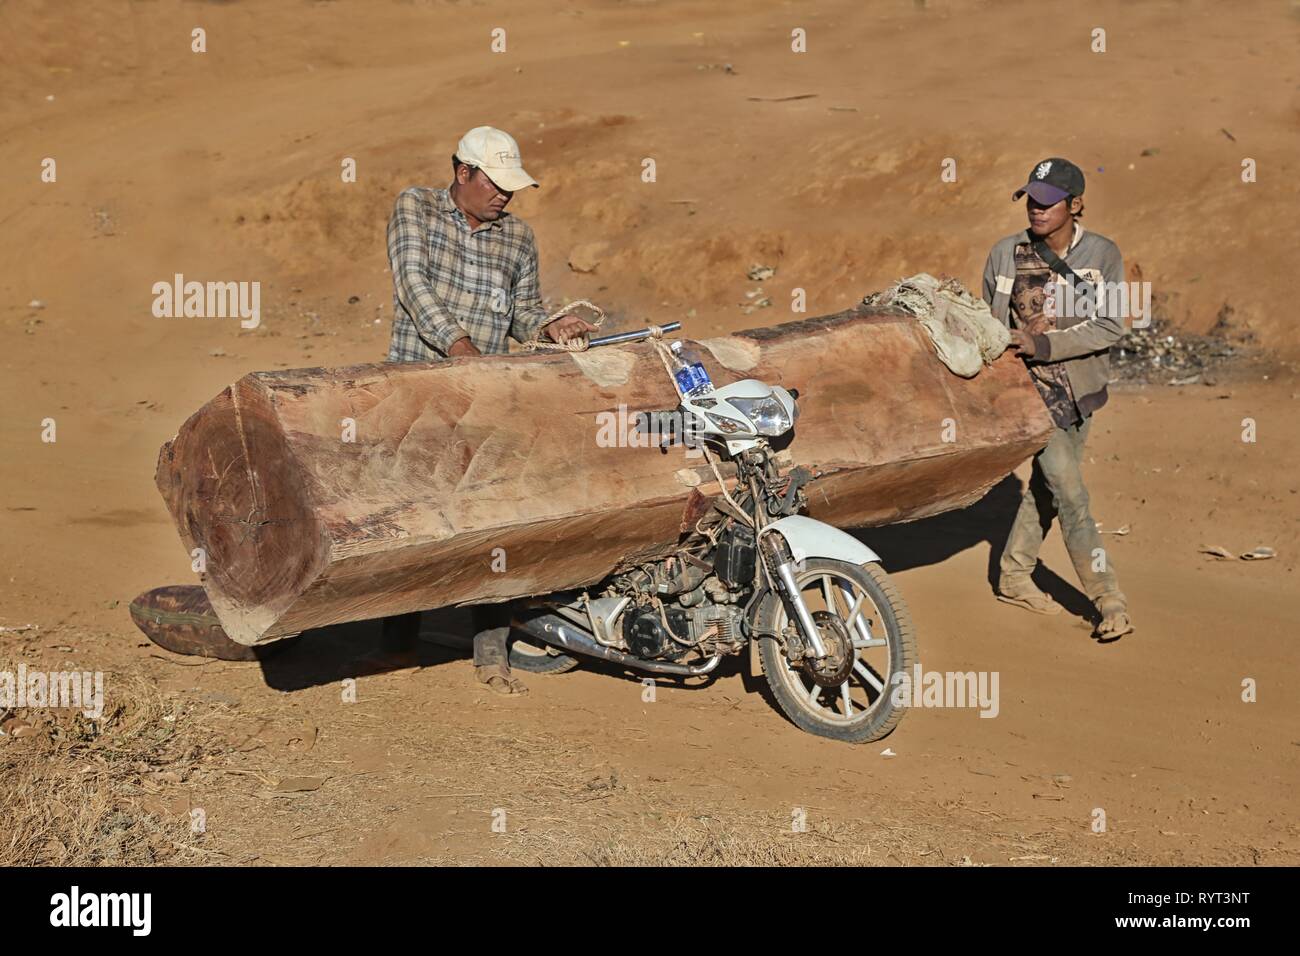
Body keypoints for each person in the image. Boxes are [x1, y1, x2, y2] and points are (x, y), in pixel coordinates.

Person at [382, 125, 597, 692]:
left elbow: (524, 313)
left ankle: (491, 652)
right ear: (462, 173)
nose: (505, 195)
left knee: (490, 517)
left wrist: (551, 326)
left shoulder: (517, 238)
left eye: (511, 187)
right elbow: (413, 286)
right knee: (412, 510)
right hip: (418, 384)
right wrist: (460, 350)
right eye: (495, 183)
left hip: (488, 396)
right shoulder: (416, 208)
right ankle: (394, 636)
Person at [981, 157, 1134, 640]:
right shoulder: (1005, 253)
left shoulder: (1102, 255)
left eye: (1048, 202)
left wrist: (1046, 341)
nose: (1036, 209)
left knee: (1048, 489)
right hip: (1029, 396)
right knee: (1071, 494)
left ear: (1076, 205)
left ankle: (1013, 574)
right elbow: (987, 324)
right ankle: (1107, 598)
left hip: (1082, 391)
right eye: (1031, 199)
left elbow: (1111, 325)